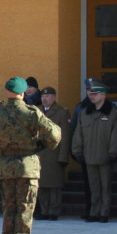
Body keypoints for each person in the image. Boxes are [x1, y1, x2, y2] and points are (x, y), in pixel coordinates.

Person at [0, 77, 61, 234]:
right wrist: (38, 145)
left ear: (7, 92)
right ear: (23, 93)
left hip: (5, 167)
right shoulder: (32, 112)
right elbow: (55, 136)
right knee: (25, 208)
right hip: (27, 167)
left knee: (9, 208)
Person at [71, 80, 117, 223]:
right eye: (91, 93)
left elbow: (116, 135)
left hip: (105, 156)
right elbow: (78, 134)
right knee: (93, 186)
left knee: (105, 186)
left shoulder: (113, 113)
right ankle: (94, 211)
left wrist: (113, 153)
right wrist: (77, 151)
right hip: (88, 156)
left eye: (95, 93)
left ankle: (104, 212)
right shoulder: (84, 113)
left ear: (103, 95)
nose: (91, 96)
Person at [36, 87, 71, 221]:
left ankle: (54, 211)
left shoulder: (61, 112)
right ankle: (44, 210)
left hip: (54, 153)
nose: (45, 99)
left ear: (54, 97)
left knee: (54, 185)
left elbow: (65, 136)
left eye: (48, 96)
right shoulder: (37, 111)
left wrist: (63, 156)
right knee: (42, 184)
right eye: (43, 96)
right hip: (39, 153)